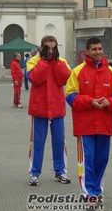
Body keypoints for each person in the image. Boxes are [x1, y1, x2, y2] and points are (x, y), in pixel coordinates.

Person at [66, 37, 112, 206]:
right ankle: (89, 193)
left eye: (100, 49)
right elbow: (70, 96)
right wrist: (90, 101)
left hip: (105, 125)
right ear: (87, 52)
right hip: (85, 126)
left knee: (101, 160)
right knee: (87, 160)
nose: (98, 52)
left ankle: (97, 191)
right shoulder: (77, 72)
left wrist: (109, 102)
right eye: (94, 49)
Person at [26, 36, 72, 187]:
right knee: (38, 142)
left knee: (59, 142)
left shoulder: (61, 61)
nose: (51, 51)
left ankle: (60, 171)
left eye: (53, 48)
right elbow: (36, 79)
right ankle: (34, 173)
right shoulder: (33, 61)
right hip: (39, 108)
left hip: (57, 108)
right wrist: (44, 61)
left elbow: (64, 79)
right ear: (41, 48)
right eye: (47, 48)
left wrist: (57, 62)